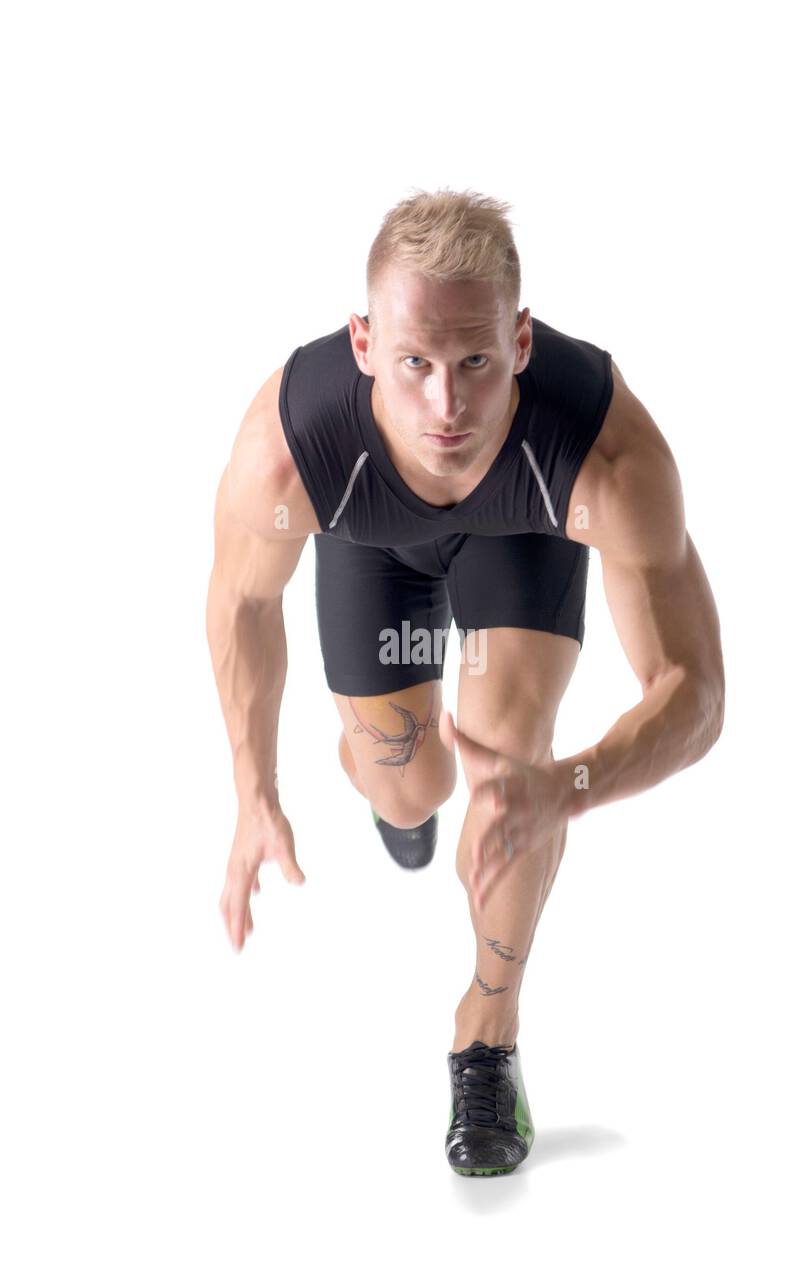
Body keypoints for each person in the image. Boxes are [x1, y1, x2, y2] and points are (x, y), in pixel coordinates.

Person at [206, 188, 725, 1178]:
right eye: (415, 365)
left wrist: (566, 785)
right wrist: (252, 793)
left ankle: (484, 1034)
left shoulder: (607, 460)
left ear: (520, 342)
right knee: (411, 783)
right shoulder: (289, 457)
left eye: (474, 363)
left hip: (526, 536)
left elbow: (693, 690)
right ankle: (384, 783)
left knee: (505, 765)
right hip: (372, 544)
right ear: (362, 344)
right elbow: (238, 606)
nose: (445, 406)